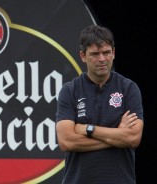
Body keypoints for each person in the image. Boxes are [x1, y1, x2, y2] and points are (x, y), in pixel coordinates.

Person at [55, 25, 144, 184]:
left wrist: (88, 129)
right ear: (83, 56)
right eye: (95, 54)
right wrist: (116, 135)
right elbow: (66, 141)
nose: (102, 59)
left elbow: (133, 138)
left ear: (114, 53)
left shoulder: (129, 88)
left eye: (106, 52)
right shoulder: (70, 91)